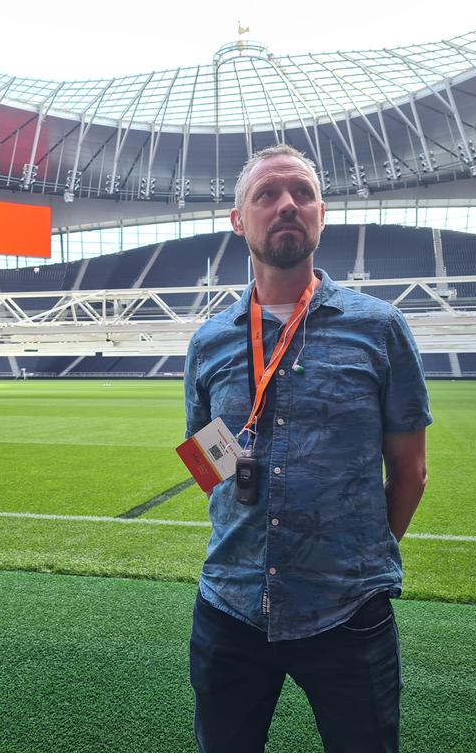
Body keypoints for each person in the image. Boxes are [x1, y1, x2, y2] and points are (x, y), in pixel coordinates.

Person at [183, 144, 432, 753]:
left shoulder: (379, 328)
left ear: (322, 213)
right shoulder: (210, 341)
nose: (286, 204)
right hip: (230, 604)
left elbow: (410, 471)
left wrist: (355, 558)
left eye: (302, 193)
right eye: (266, 194)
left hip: (348, 609)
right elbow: (206, 459)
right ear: (238, 220)